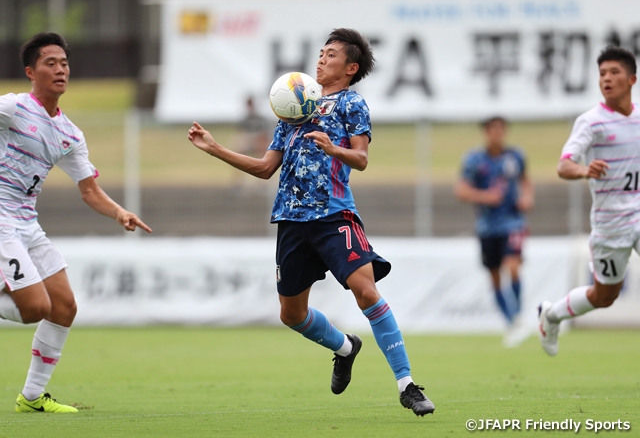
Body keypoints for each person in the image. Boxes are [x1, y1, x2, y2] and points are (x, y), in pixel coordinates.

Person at [189, 28, 435, 416]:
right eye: (320, 53)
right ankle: (345, 347)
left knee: (366, 291)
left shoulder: (351, 104)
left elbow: (361, 159)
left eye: (331, 54)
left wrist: (333, 147)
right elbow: (266, 168)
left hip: (334, 214)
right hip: (291, 219)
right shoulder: (293, 108)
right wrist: (214, 148)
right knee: (291, 314)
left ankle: (407, 384)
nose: (321, 59)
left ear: (350, 67)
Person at [0, 32, 151, 412]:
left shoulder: (69, 133)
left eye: (64, 63)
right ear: (30, 72)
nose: (60, 69)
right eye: (50, 63)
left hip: (26, 223)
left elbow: (89, 189)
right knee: (34, 308)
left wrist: (119, 211)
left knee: (64, 306)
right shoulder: (13, 108)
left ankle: (32, 396)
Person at [538, 46, 639, 356]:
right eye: (602, 73)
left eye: (614, 72)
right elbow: (563, 165)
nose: (606, 79)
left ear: (632, 79)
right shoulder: (591, 122)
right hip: (610, 225)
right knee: (604, 296)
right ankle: (551, 315)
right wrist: (584, 170)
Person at [454, 116, 534, 347]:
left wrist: (527, 197)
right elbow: (461, 190)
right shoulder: (474, 159)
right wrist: (485, 197)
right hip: (488, 227)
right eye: (492, 129)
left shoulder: (516, 156)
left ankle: (518, 317)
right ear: (486, 132)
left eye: (501, 129)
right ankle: (512, 323)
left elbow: (526, 181)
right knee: (495, 277)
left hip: (513, 222)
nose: (497, 133)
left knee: (513, 266)